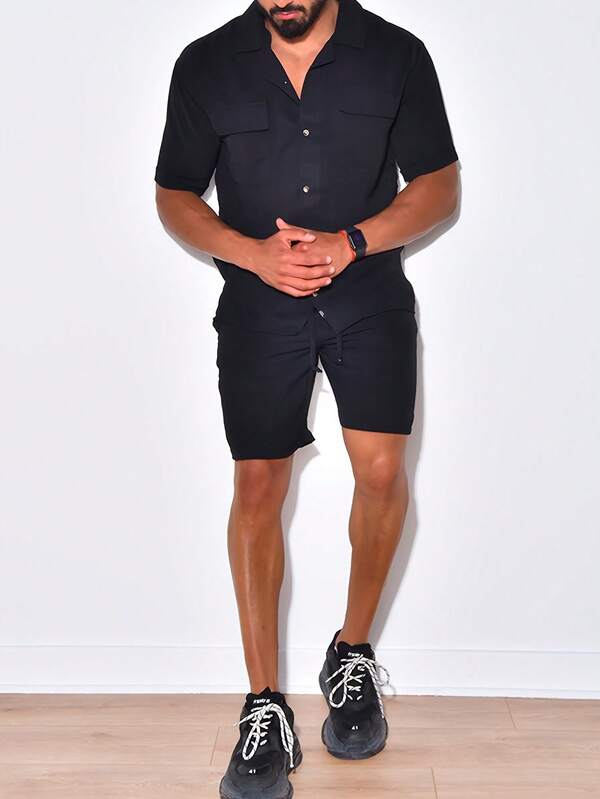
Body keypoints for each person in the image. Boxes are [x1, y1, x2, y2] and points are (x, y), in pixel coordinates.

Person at [154, 0, 459, 796]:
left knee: (383, 472)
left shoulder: (395, 55)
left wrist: (352, 242)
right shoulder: (206, 64)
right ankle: (265, 706)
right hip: (259, 305)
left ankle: (351, 655)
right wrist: (250, 254)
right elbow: (174, 192)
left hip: (368, 295)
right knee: (258, 484)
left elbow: (439, 185)